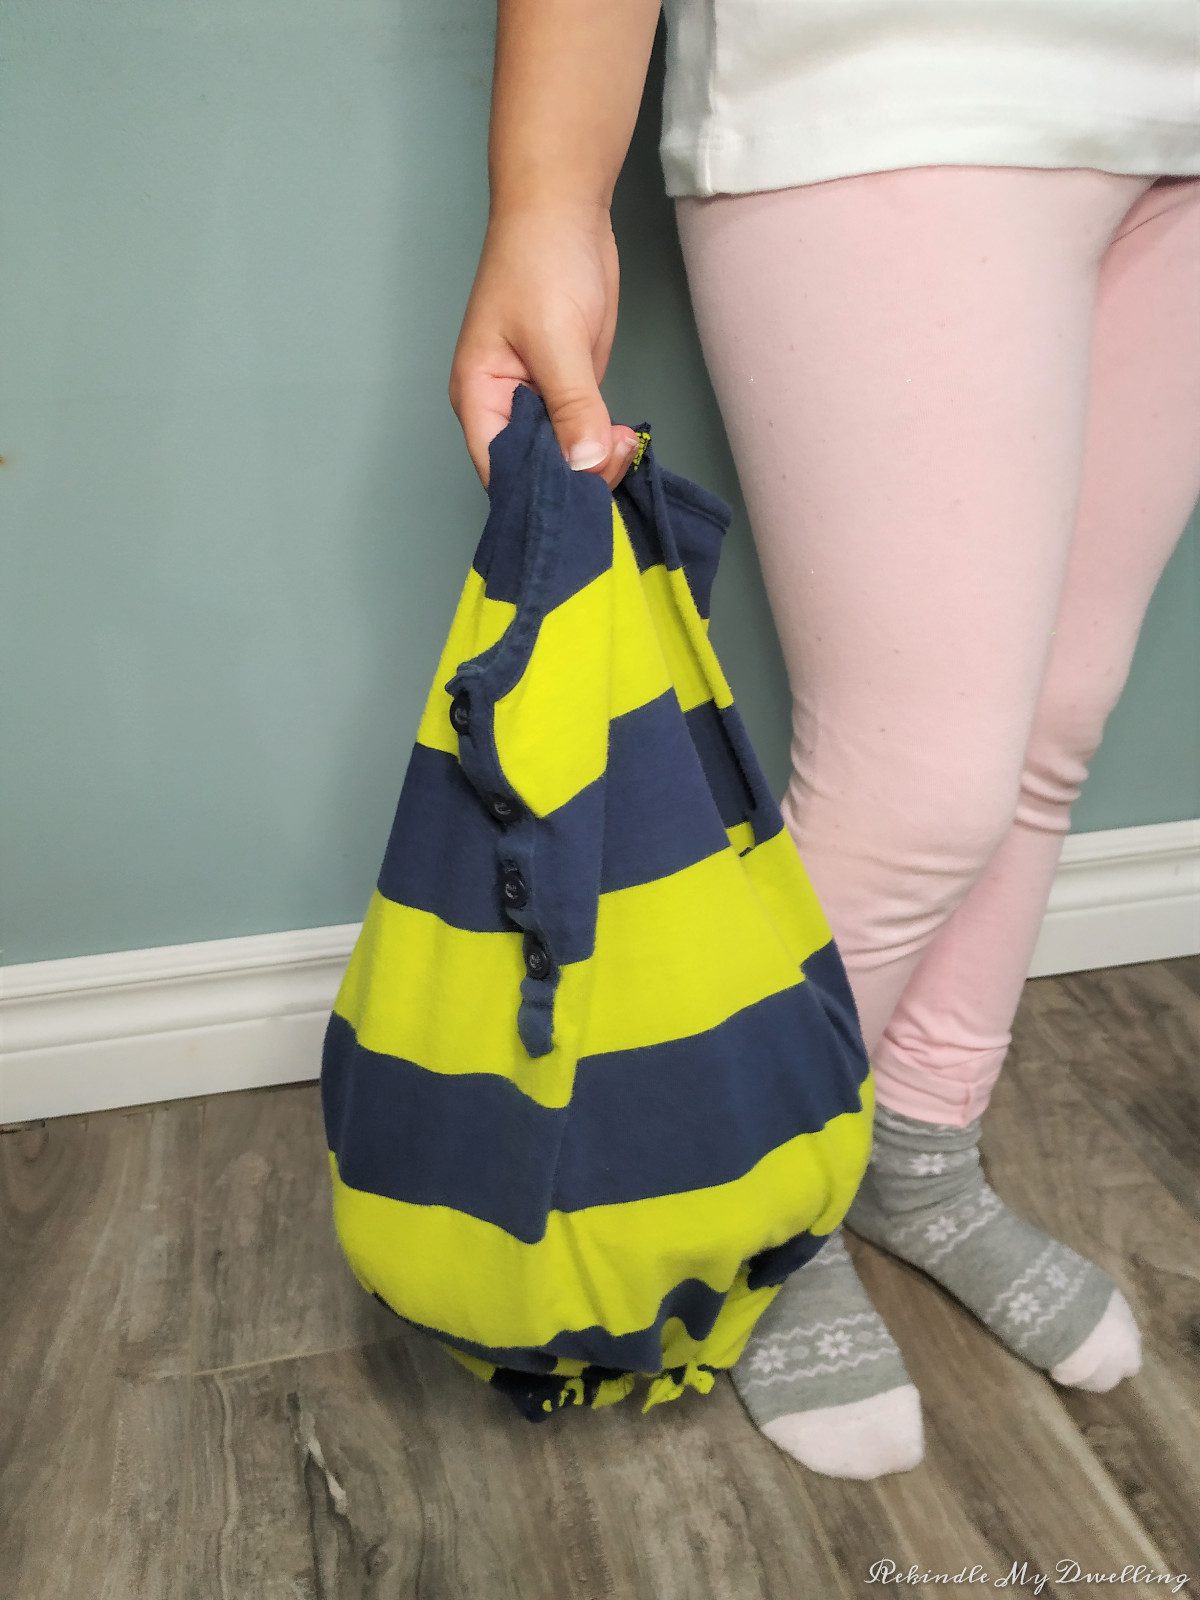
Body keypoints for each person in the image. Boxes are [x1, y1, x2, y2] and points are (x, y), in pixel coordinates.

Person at [448, 0, 1200, 1479]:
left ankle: (914, 1148)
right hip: (892, 68)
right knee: (920, 783)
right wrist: (544, 195)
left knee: (1055, 716)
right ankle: (748, 1220)